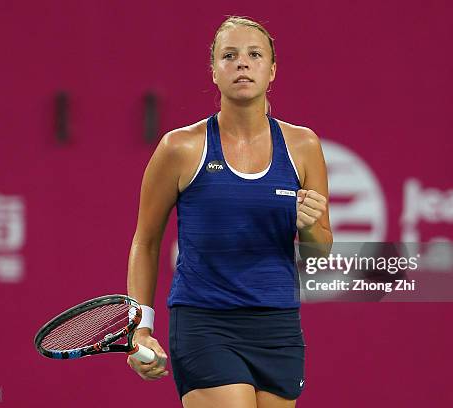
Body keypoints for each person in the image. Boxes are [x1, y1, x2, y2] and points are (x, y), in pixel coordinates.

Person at [126, 16, 332, 408]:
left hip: (279, 327)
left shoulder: (304, 145)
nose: (242, 63)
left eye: (254, 55)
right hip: (205, 323)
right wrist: (141, 327)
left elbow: (321, 251)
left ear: (272, 71)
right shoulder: (179, 148)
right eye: (230, 56)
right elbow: (146, 241)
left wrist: (309, 228)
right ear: (214, 72)